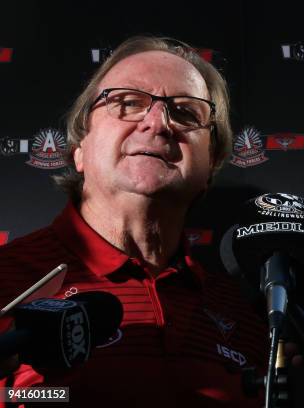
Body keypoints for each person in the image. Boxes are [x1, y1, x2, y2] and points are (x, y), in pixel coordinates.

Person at [0, 36, 268, 407]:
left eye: (186, 112)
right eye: (127, 102)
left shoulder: (246, 317)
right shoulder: (6, 279)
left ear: (211, 165)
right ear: (80, 149)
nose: (158, 124)